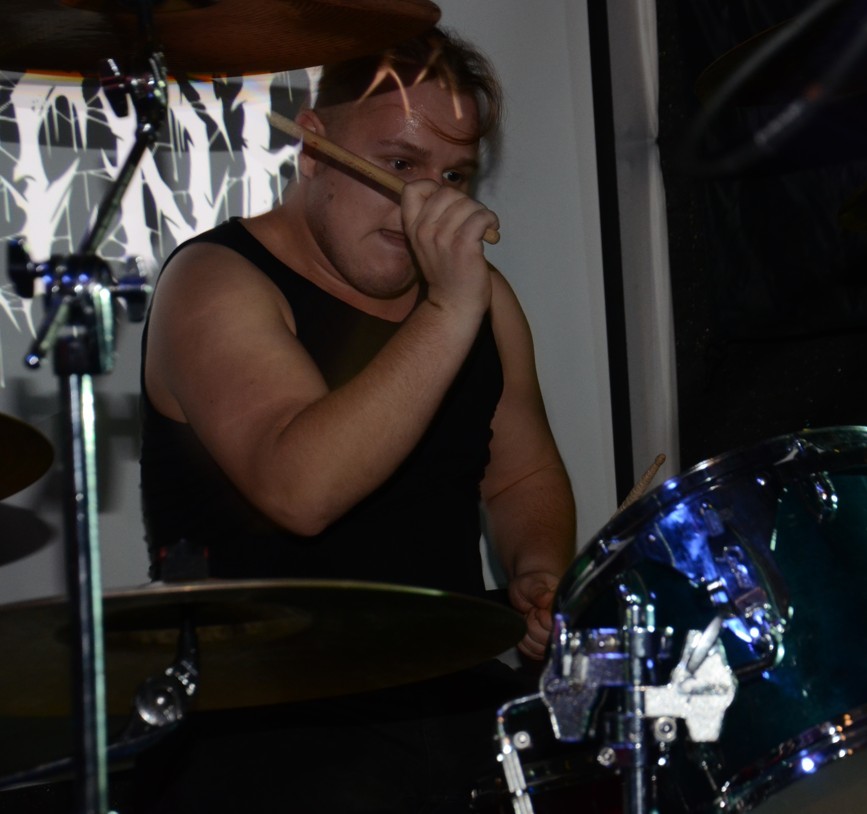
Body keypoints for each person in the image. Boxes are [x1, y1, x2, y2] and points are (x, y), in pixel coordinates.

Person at [133, 25, 577, 813]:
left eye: (452, 176)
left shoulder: (480, 299)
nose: (425, 203)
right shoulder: (214, 281)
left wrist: (537, 569)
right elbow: (301, 490)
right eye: (399, 166)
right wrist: (447, 311)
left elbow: (521, 475)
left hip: (445, 698)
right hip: (266, 729)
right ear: (313, 147)